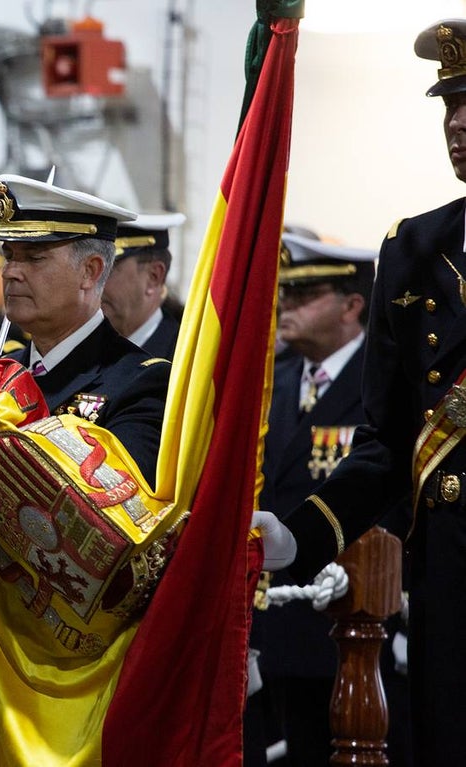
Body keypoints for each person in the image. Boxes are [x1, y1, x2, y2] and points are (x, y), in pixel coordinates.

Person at [281, 20, 466, 765]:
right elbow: (388, 444)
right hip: (450, 584)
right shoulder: (415, 251)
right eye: (449, 105)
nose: (457, 122)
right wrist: (300, 533)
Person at [245, 234, 413, 765]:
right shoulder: (274, 380)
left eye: (304, 295)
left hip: (353, 618)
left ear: (352, 305)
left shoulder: (380, 383)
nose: (285, 306)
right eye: (285, 294)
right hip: (275, 622)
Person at [0, 173, 170, 485]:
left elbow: (112, 506)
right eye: (9, 256)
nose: (11, 272)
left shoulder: (141, 383)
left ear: (89, 271)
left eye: (35, 258)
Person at [102, 212, 187, 358]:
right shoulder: (86, 351)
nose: (92, 282)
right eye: (91, 269)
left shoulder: (184, 360)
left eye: (108, 270)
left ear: (154, 277)